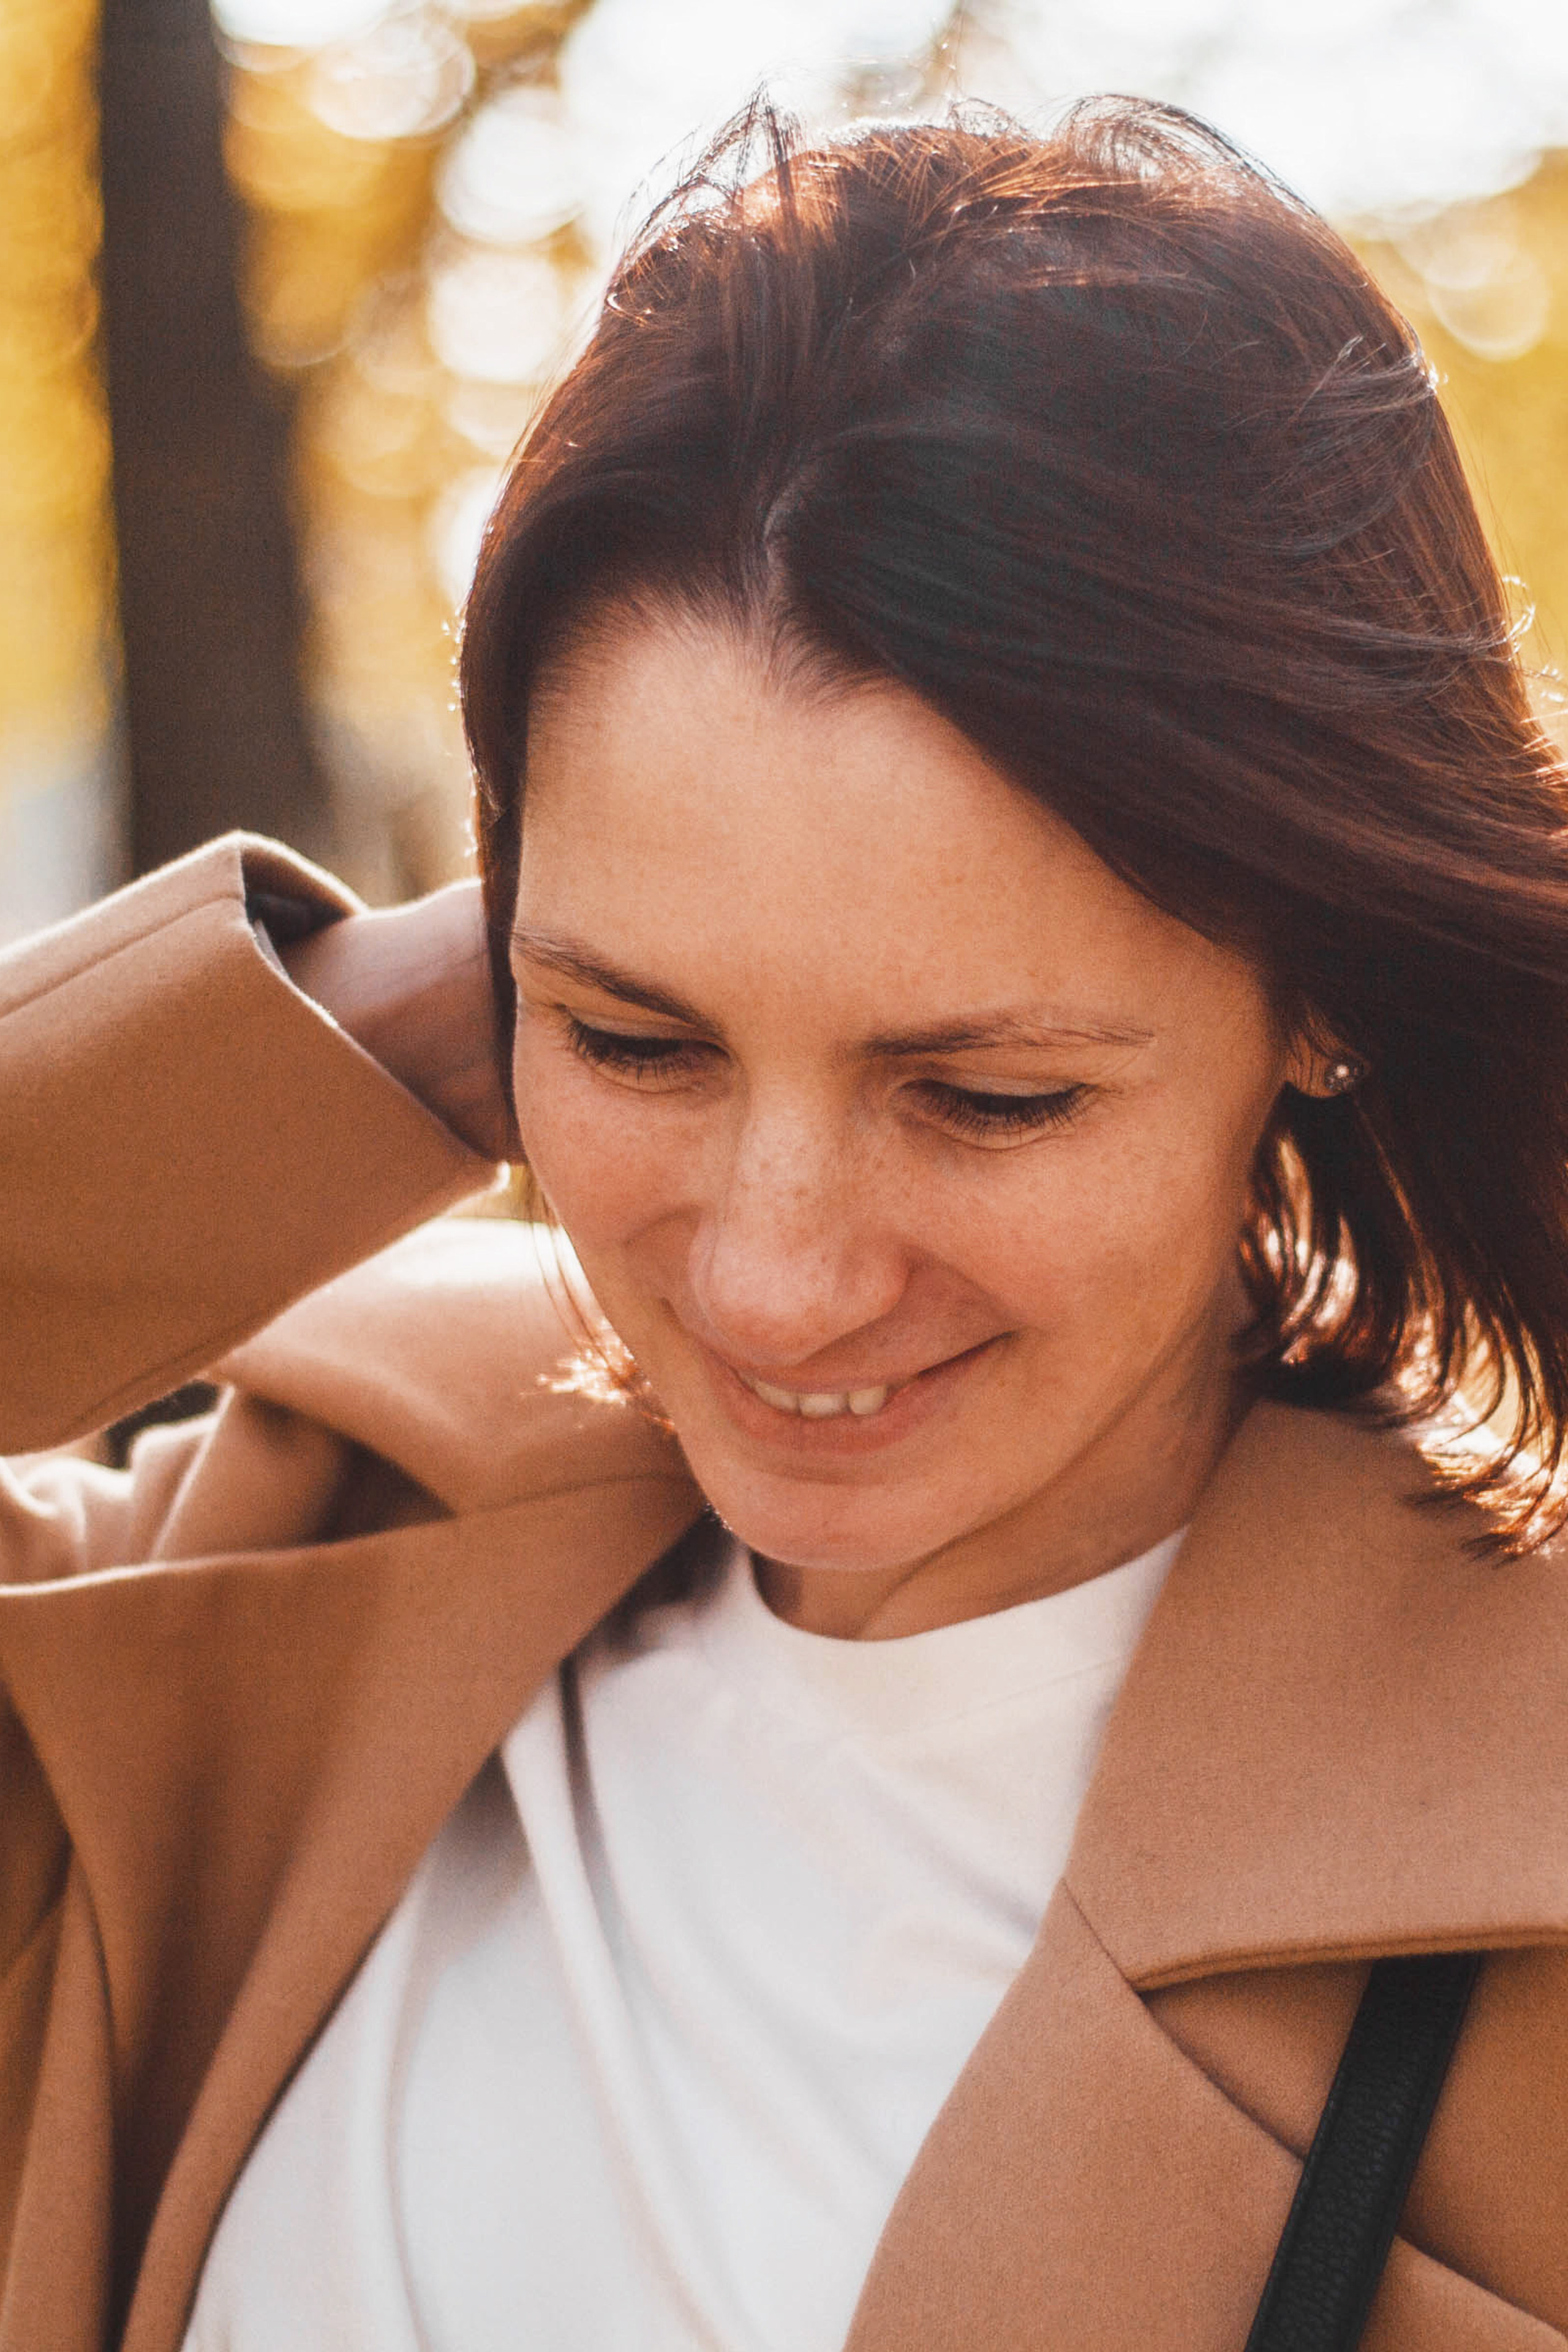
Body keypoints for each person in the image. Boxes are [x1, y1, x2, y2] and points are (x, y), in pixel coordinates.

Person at [5, 94, 1568, 2352]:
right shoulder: (261, 1575)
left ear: (1318, 986)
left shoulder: (1511, 1854)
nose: (772, 1274)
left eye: (987, 1092)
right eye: (638, 1046)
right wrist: (399, 1010)